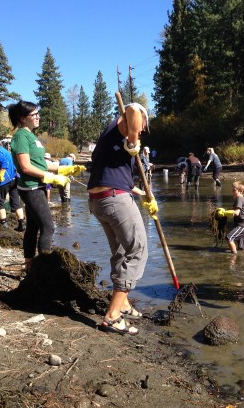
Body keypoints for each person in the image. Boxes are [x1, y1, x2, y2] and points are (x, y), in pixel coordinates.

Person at [87, 102, 158, 336]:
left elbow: (117, 176)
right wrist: (134, 140)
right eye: (143, 128)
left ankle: (124, 304)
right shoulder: (123, 125)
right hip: (115, 200)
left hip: (101, 200)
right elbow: (134, 109)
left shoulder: (110, 136)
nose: (142, 133)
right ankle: (113, 315)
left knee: (119, 252)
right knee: (138, 251)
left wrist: (143, 194)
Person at [8, 100, 82, 272]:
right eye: (34, 114)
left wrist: (65, 169)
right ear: (22, 118)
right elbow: (25, 167)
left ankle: (30, 266)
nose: (38, 117)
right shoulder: (20, 137)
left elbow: (41, 163)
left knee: (33, 228)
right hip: (31, 187)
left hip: (38, 186)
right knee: (48, 226)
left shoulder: (31, 136)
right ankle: (43, 269)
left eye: (37, 113)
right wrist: (50, 177)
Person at [0, 136, 26, 232]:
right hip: (14, 179)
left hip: (4, 180)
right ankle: (21, 224)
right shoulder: (5, 150)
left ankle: (4, 225)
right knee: (15, 202)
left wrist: (1, 174)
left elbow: (4, 163)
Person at [215, 181, 244, 253]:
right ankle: (243, 260)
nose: (232, 191)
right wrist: (225, 211)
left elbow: (236, 213)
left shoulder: (239, 199)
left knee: (229, 238)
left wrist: (224, 213)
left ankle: (233, 255)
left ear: (241, 191)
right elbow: (235, 211)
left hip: (243, 225)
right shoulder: (243, 199)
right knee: (242, 247)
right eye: (232, 190)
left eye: (234, 190)